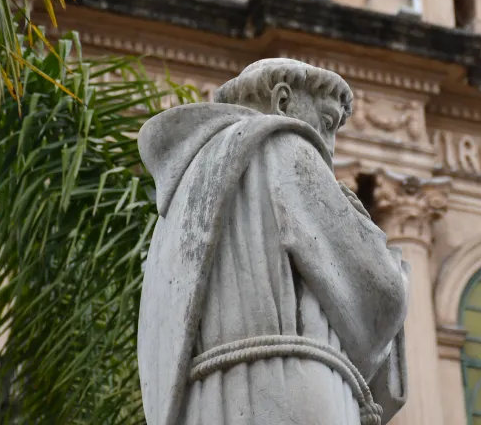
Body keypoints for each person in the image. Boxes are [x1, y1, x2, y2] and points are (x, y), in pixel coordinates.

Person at [137, 58, 409, 425]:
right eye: (327, 123)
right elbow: (382, 294)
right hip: (291, 386)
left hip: (203, 404)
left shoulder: (177, 203)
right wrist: (374, 241)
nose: (329, 148)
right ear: (282, 102)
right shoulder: (286, 148)